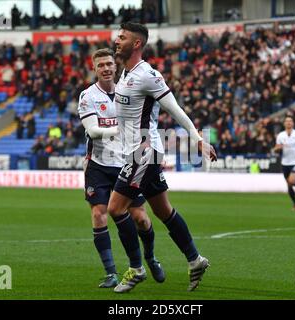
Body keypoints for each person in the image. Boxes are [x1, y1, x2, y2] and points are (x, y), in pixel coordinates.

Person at [109, 22, 217, 293]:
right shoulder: (124, 73)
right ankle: (195, 260)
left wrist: (199, 139)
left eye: (122, 37)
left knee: (115, 208)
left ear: (136, 44)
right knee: (162, 210)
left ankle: (136, 269)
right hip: (136, 153)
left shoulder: (148, 75)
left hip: (143, 153)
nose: (116, 40)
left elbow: (175, 109)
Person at [78, 48, 165, 288]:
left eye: (109, 64)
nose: (106, 68)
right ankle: (111, 272)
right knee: (98, 214)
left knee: (141, 218)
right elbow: (94, 131)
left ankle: (150, 257)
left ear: (115, 67)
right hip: (99, 164)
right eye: (100, 65)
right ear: (94, 69)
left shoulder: (130, 91)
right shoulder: (88, 96)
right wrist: (121, 130)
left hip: (129, 162)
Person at [273, 116, 295, 211]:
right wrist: (278, 148)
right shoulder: (280, 136)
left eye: (290, 121)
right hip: (285, 163)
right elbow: (275, 148)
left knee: (292, 181)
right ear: (284, 124)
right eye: (287, 121)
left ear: (293, 123)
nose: (289, 123)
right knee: (289, 185)